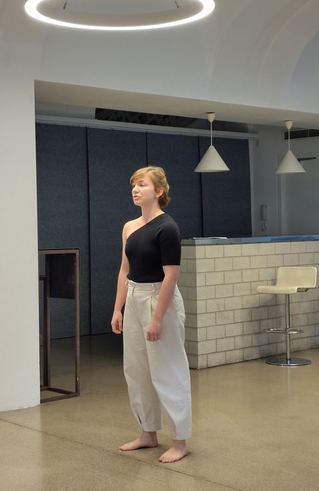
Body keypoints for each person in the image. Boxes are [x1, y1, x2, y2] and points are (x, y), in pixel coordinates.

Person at [111, 166, 192, 463]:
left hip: (159, 299)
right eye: (133, 185)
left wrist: (157, 318)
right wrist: (118, 308)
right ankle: (148, 433)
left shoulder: (167, 228)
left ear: (158, 191)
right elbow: (124, 270)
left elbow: (171, 277)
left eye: (142, 184)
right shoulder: (129, 227)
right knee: (136, 369)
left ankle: (180, 441)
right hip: (134, 297)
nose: (135, 189)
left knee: (167, 370)